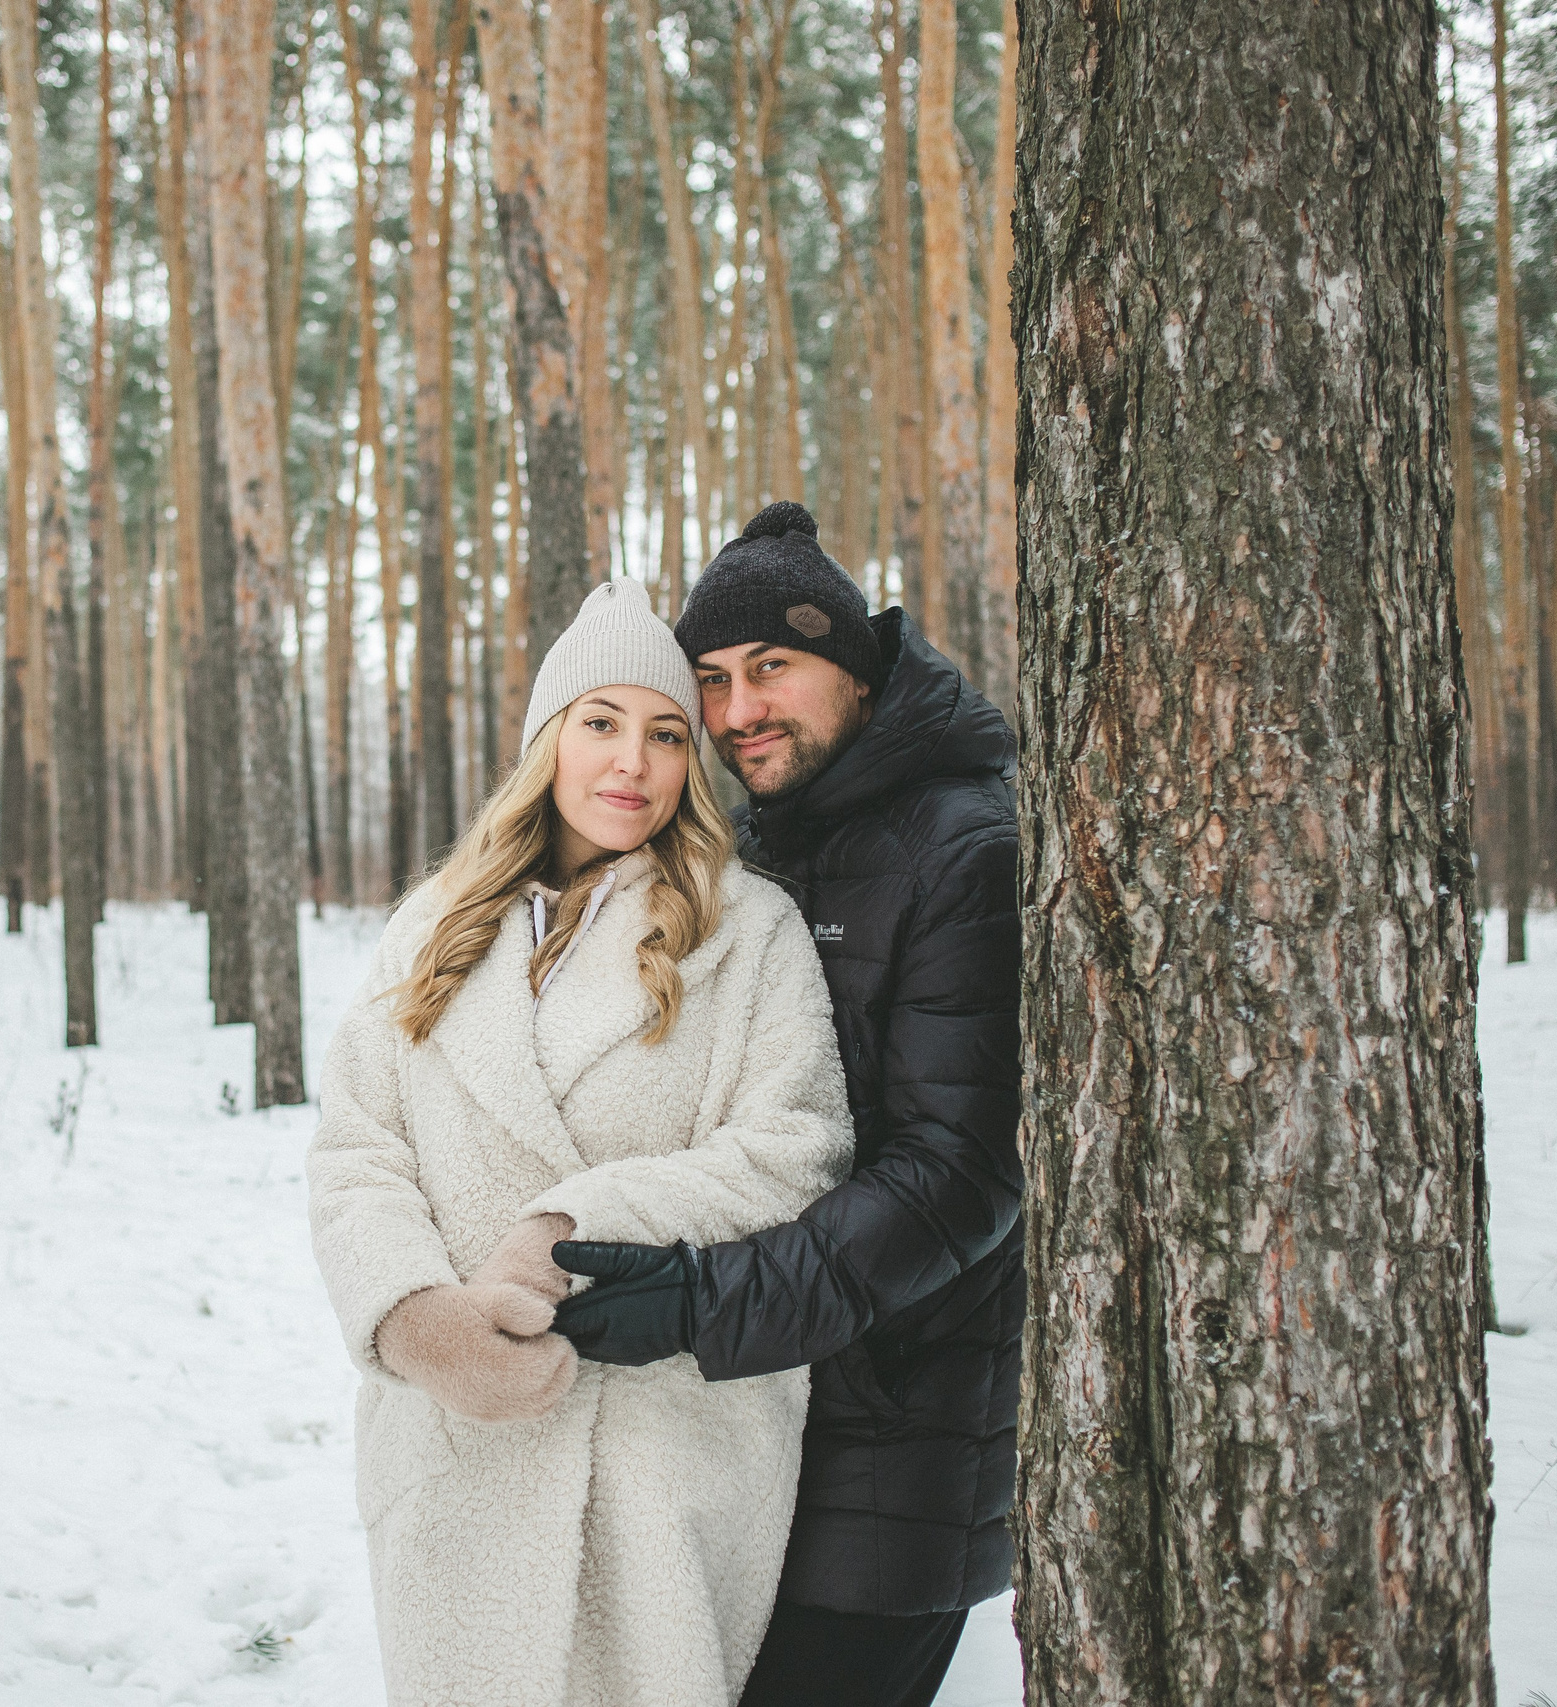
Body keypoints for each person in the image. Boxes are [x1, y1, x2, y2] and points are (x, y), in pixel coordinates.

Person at [307, 577, 855, 1707]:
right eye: (602, 722)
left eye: (666, 734)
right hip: (460, 1445)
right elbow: (358, 1146)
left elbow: (796, 1145)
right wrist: (414, 1321)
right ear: (549, 738)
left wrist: (571, 1227)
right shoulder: (435, 922)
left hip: (660, 1451)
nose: (632, 764)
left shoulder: (747, 927)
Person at [551, 502, 1024, 1707]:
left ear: (856, 667)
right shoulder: (770, 842)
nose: (737, 711)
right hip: (766, 1427)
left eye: (772, 667)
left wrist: (706, 1301)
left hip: (893, 1451)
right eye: (711, 680)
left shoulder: (962, 848)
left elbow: (958, 1175)